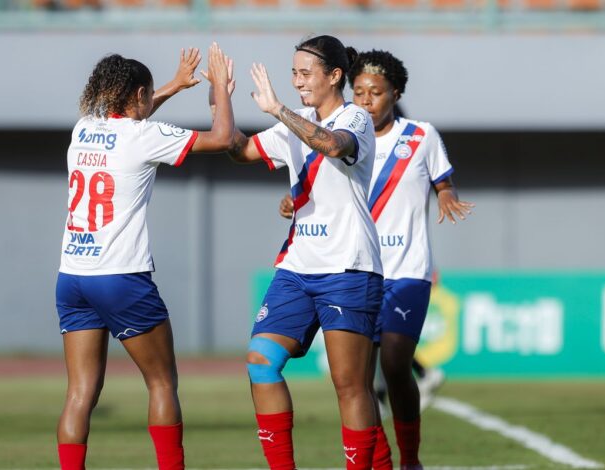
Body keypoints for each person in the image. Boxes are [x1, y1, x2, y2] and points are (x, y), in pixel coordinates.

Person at [279, 49, 473, 470]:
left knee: (395, 362)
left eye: (376, 92)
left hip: (406, 270)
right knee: (358, 381)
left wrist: (448, 196)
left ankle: (411, 459)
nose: (367, 100)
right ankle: (379, 461)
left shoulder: (421, 137)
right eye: (360, 91)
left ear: (395, 93)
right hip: (357, 268)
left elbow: (444, 181)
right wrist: (292, 200)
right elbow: (316, 187)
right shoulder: (342, 134)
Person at [54, 44, 234, 470]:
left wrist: (172, 84)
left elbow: (132, 117)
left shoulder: (83, 128)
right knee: (161, 382)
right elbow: (223, 138)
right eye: (149, 95)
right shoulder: (143, 136)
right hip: (121, 278)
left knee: (80, 394)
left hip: (72, 277)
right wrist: (221, 90)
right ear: (137, 95)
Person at [222, 35, 385, 469]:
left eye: (305, 73)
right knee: (260, 362)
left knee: (350, 385)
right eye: (293, 73)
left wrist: (278, 110)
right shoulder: (293, 122)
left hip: (349, 267)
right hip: (296, 267)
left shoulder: (356, 118)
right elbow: (241, 151)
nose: (297, 81)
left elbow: (332, 146)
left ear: (335, 76)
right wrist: (222, 96)